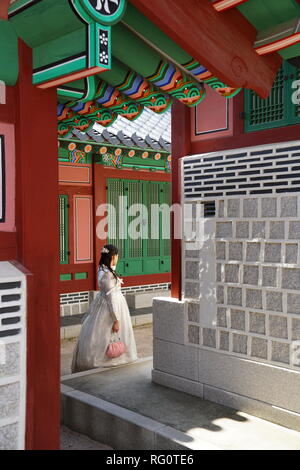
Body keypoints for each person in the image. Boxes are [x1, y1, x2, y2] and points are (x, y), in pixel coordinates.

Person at [71, 244, 138, 373]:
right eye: (117, 255)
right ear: (113, 256)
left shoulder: (102, 269)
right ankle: (107, 360)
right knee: (109, 334)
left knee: (99, 335)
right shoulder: (108, 275)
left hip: (103, 304)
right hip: (111, 307)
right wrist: (116, 319)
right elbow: (111, 298)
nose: (118, 258)